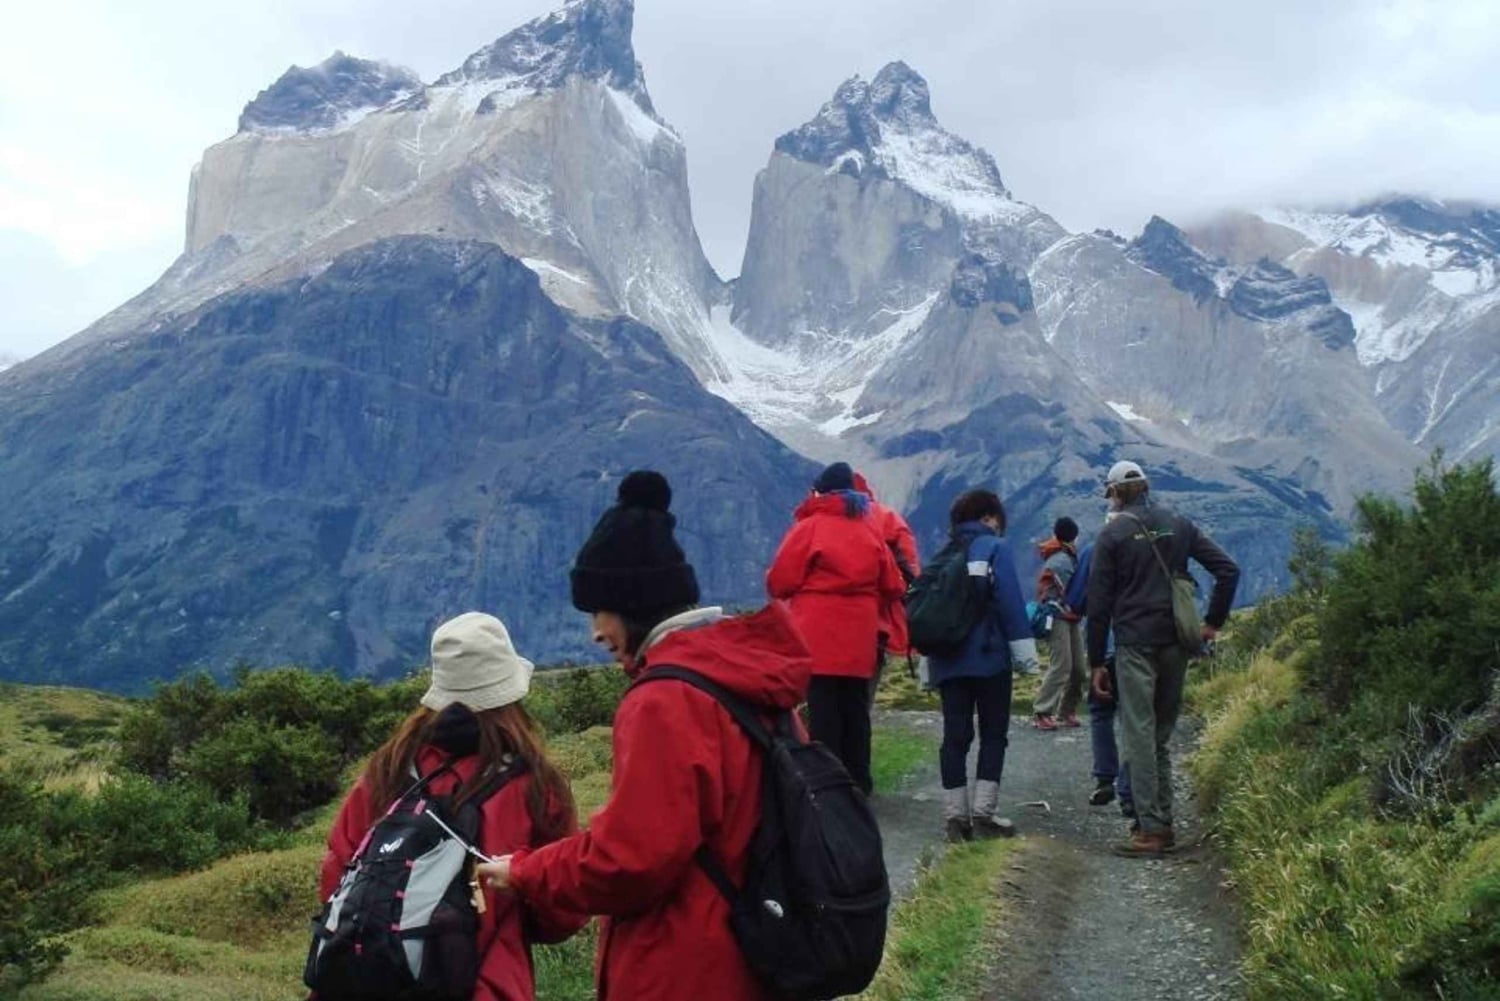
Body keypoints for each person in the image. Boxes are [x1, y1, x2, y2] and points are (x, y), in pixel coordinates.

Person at [477, 471, 813, 1001]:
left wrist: (525, 870)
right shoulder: (745, 675)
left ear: (631, 603)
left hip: (690, 964)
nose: (595, 632)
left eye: (598, 611)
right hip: (763, 946)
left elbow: (628, 861)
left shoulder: (664, 699)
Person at [319, 612, 585, 1001]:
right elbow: (564, 911)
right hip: (485, 985)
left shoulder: (391, 766)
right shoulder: (534, 783)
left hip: (371, 983)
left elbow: (337, 870)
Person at [1087, 460, 1239, 857]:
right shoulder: (1178, 524)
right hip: (1176, 640)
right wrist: (1212, 623)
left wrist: (1096, 662)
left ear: (1115, 493)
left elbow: (1098, 604)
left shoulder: (1112, 535)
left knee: (1138, 734)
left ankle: (1150, 829)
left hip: (1134, 642)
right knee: (1160, 735)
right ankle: (1162, 822)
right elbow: (1228, 570)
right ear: (1146, 487)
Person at [767, 462, 905, 793]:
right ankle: (858, 782)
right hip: (860, 635)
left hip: (816, 633)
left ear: (820, 492)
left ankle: (828, 788)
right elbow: (893, 585)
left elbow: (780, 582)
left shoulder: (809, 527)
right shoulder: (869, 529)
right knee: (855, 709)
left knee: (823, 709)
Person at [926, 489, 1039, 842]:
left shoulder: (943, 554)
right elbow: (1010, 603)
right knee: (993, 734)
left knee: (954, 737)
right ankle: (984, 814)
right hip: (989, 657)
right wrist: (1025, 656)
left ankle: (955, 817)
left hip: (946, 658)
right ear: (989, 517)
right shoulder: (995, 548)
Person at [1067, 533, 1133, 816]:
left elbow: (1076, 600)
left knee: (1101, 711)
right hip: (1140, 643)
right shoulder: (1149, 544)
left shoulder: (1094, 550)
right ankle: (1130, 790)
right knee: (1135, 718)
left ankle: (1105, 777)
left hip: (1104, 642)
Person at [1031, 516, 1085, 730]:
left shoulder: (1063, 556)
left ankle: (1066, 710)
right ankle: (1042, 711)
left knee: (1078, 668)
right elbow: (1071, 592)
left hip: (1070, 617)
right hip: (1057, 616)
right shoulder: (1062, 561)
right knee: (1062, 665)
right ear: (1075, 537)